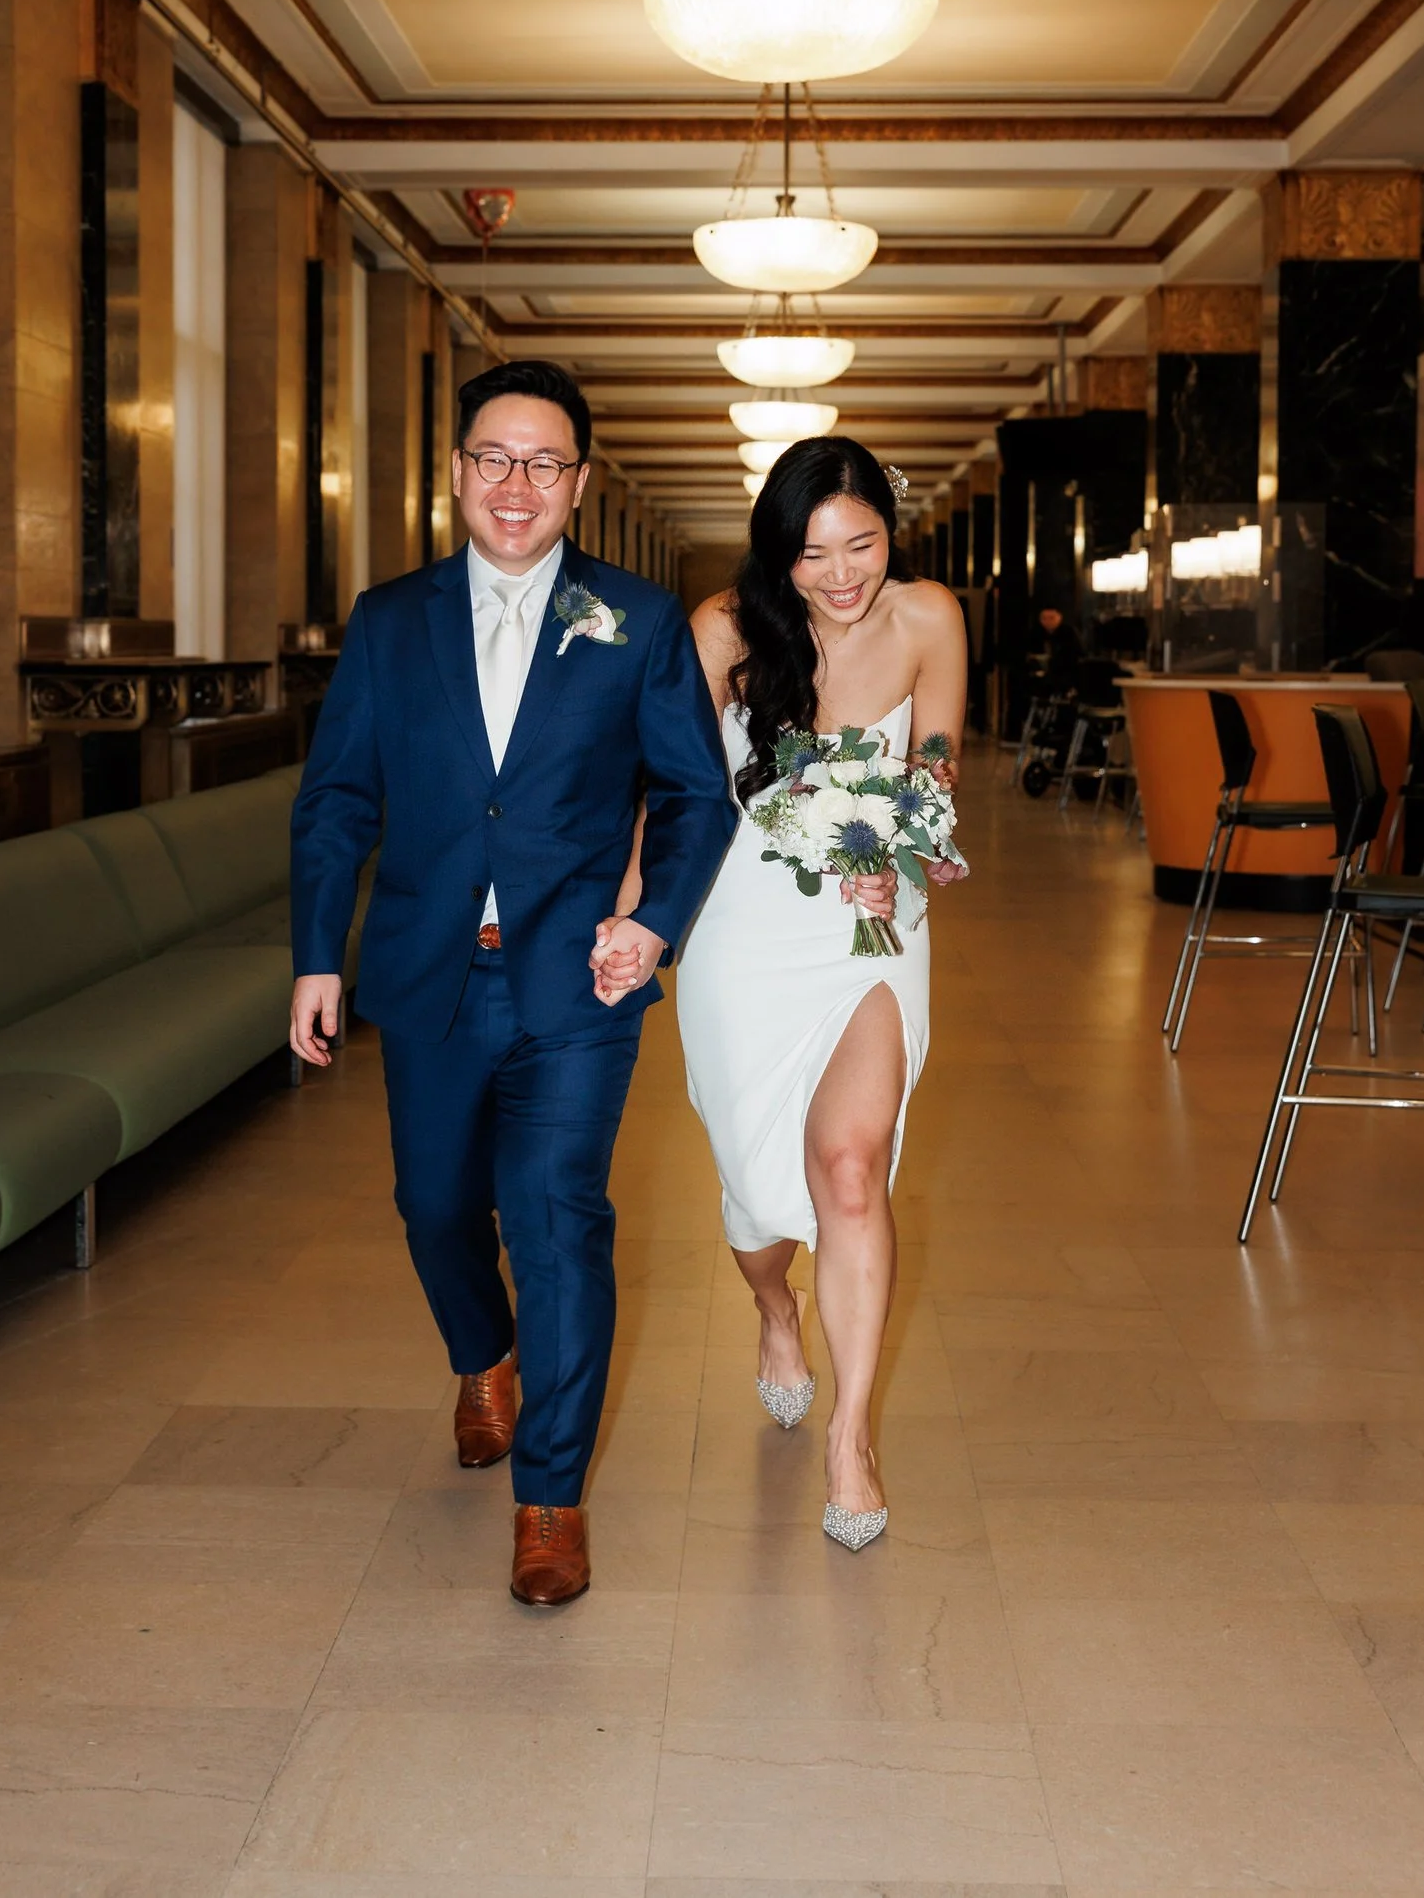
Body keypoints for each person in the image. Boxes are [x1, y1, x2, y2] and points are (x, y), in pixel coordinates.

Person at [288, 358, 736, 1608]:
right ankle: (480, 1352)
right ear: (456, 472)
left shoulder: (635, 619)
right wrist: (317, 954)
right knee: (433, 1206)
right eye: (494, 457)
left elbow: (695, 797)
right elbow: (335, 800)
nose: (516, 483)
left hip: (575, 982)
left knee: (554, 1220)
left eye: (544, 462)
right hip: (428, 972)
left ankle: (549, 1498)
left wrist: (651, 924)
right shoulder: (390, 620)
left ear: (578, 483)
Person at [617, 439, 968, 1551]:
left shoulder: (929, 619)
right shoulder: (724, 629)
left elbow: (936, 774)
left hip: (869, 929)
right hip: (740, 928)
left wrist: (904, 860)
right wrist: (634, 916)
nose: (840, 573)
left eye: (860, 544)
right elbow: (668, 788)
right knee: (760, 1196)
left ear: (888, 535)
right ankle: (775, 1305)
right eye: (812, 553)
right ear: (778, 552)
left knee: (851, 1168)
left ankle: (851, 1438)